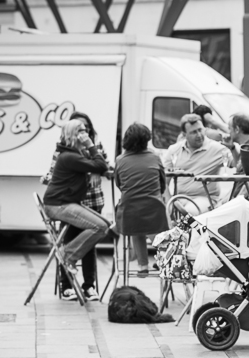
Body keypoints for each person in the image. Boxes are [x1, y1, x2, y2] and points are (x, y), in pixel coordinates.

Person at [41, 111, 107, 300]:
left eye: (86, 131)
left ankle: (70, 258)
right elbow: (100, 165)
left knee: (104, 224)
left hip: (65, 203)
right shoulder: (69, 156)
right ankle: (67, 255)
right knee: (99, 226)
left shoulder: (72, 154)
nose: (85, 134)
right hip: (59, 205)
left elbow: (100, 165)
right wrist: (90, 144)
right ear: (73, 135)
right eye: (81, 131)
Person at [114, 123, 168, 277]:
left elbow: (119, 184)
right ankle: (164, 257)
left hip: (129, 212)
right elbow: (162, 184)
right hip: (154, 210)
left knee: (136, 226)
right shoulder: (155, 158)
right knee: (157, 232)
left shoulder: (120, 160)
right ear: (146, 141)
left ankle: (142, 265)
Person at [162, 113, 234, 213]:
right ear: (184, 134)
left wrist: (233, 148)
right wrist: (169, 202)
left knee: (189, 212)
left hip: (205, 199)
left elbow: (236, 163)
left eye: (200, 130)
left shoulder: (216, 148)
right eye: (194, 132)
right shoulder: (174, 150)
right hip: (178, 198)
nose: (199, 135)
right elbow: (163, 181)